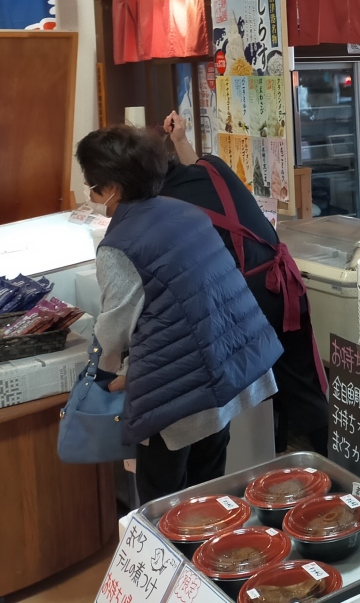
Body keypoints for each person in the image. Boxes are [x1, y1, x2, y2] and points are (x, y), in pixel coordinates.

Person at [77, 125, 282, 505]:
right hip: (227, 367)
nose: (90, 195)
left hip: (175, 387)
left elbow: (115, 328)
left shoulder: (119, 246)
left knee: (163, 502)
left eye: (92, 186)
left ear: (113, 188)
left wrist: (100, 374)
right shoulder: (185, 212)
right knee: (209, 491)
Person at [160, 111, 331, 455]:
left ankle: (268, 463)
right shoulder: (213, 169)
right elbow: (194, 167)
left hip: (248, 299)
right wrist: (180, 139)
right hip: (284, 288)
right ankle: (331, 467)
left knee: (254, 393)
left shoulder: (163, 203)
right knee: (301, 384)